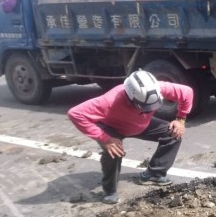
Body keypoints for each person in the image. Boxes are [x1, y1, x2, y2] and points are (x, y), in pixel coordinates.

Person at [67, 71, 193, 205]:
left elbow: (187, 92)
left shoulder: (159, 87)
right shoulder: (109, 101)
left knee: (173, 134)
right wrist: (105, 138)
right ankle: (110, 191)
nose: (148, 109)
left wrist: (180, 119)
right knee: (114, 151)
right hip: (112, 127)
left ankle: (154, 174)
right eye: (144, 107)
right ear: (131, 97)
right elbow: (75, 114)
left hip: (139, 123)